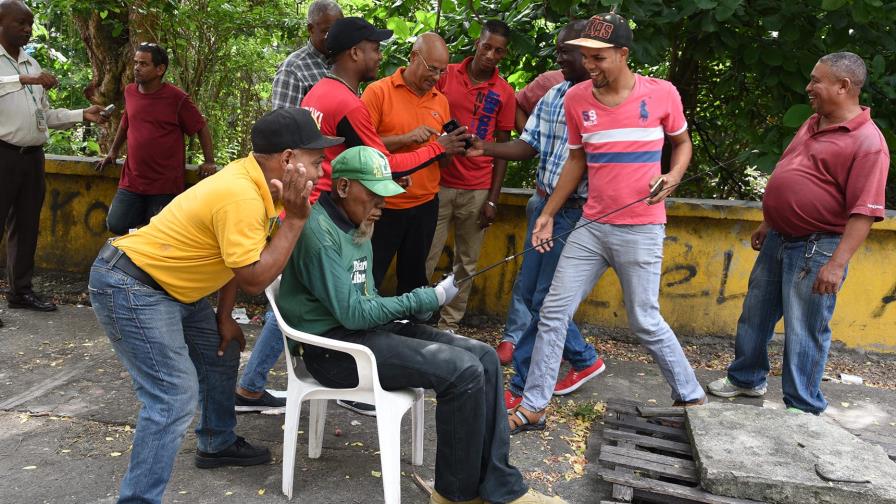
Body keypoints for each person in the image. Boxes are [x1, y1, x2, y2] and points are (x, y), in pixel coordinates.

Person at [277, 144, 566, 504]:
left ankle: (500, 486)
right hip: (335, 353)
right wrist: (424, 299)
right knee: (462, 371)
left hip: (364, 332)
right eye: (374, 195)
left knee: (485, 357)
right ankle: (455, 496)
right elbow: (353, 313)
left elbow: (366, 299)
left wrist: (416, 307)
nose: (381, 205)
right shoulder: (320, 234)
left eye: (384, 196)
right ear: (344, 187)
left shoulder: (357, 223)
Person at [89, 107, 342, 504]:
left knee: (221, 352)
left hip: (173, 288)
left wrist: (225, 317)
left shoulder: (263, 185)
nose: (320, 170)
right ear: (288, 158)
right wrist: (295, 221)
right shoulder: (241, 195)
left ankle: (216, 441)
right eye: (316, 161)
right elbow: (254, 278)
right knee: (172, 397)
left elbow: (235, 257)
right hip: (133, 286)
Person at [234, 16, 469, 416]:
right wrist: (437, 148)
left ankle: (251, 386)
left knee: (300, 299)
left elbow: (368, 159)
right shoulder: (349, 103)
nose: (379, 56)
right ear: (355, 53)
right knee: (344, 302)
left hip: (310, 206)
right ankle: (343, 379)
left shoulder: (321, 90)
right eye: (374, 49)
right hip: (326, 212)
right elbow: (381, 163)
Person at [508, 12, 706, 434]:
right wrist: (547, 214)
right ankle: (535, 405)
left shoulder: (662, 94)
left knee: (645, 320)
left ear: (623, 54)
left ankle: (691, 396)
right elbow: (575, 161)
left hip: (642, 227)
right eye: (585, 56)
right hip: (591, 226)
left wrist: (673, 176)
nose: (589, 65)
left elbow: (682, 143)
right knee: (553, 312)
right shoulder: (576, 99)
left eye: (598, 57)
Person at [707, 52, 889, 414]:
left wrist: (836, 264)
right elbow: (791, 169)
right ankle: (746, 379)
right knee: (755, 313)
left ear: (843, 86)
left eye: (816, 80)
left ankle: (802, 406)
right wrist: (769, 220)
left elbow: (864, 213)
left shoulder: (868, 143)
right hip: (779, 237)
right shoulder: (813, 122)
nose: (809, 87)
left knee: (805, 327)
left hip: (818, 247)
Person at [469, 20, 605, 411]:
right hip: (543, 205)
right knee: (531, 295)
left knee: (546, 301)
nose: (558, 58)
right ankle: (583, 359)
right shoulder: (555, 93)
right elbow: (529, 145)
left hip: (574, 212)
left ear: (588, 53)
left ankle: (523, 386)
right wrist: (485, 148)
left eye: (565, 51)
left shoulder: (604, 101)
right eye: (557, 50)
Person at [0, 0, 107, 324]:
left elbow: (43, 116)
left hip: (32, 157)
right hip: (3, 153)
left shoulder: (31, 63)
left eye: (30, 23)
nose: (28, 29)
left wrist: (81, 114)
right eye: (20, 23)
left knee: (27, 226)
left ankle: (20, 292)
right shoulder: (21, 72)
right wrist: (24, 80)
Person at [425, 19, 516, 332]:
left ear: (504, 54)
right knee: (425, 255)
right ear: (477, 43)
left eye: (498, 51)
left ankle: (449, 325)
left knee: (466, 263)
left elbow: (503, 147)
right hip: (438, 182)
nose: (490, 55)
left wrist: (493, 199)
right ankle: (417, 318)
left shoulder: (505, 92)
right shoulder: (446, 75)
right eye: (487, 47)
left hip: (477, 189)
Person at [361, 32, 452, 294]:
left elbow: (442, 162)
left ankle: (409, 319)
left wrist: (452, 148)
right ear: (413, 57)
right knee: (369, 276)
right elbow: (363, 148)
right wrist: (405, 138)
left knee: (414, 280)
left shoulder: (440, 101)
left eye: (441, 71)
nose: (436, 77)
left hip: (425, 205)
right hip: (383, 205)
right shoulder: (378, 92)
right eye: (432, 68)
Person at [96, 42, 216, 235]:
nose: (137, 68)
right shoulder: (130, 91)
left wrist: (209, 161)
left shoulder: (177, 98)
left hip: (165, 184)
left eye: (144, 64)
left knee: (160, 233)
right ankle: (139, 236)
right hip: (133, 180)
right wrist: (113, 151)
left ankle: (143, 238)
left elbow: (200, 127)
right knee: (116, 224)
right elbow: (126, 122)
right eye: (136, 62)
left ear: (160, 69)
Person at [270, 0, 343, 109]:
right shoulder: (293, 70)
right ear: (310, 29)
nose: (335, 36)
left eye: (339, 30)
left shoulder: (344, 61)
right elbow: (284, 119)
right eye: (327, 31)